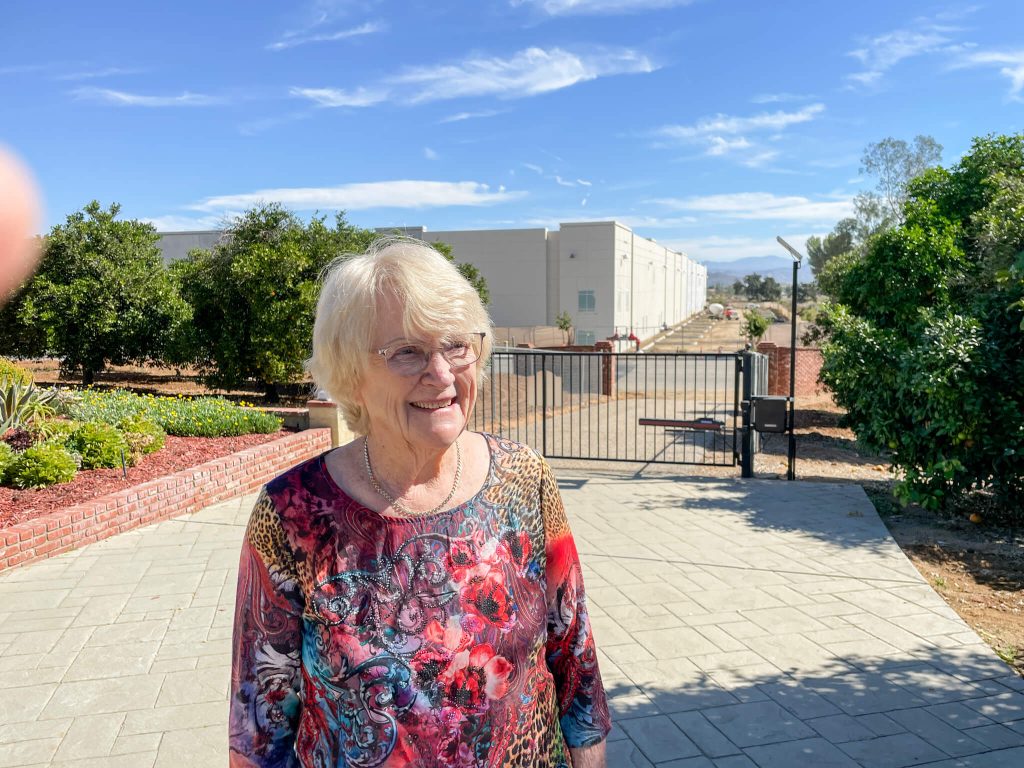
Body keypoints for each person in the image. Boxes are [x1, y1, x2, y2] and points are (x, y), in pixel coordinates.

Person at [230, 237, 611, 767]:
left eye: (457, 345)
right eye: (406, 351)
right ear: (351, 375)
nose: (442, 374)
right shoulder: (293, 512)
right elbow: (259, 725)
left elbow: (574, 654)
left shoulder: (524, 479)